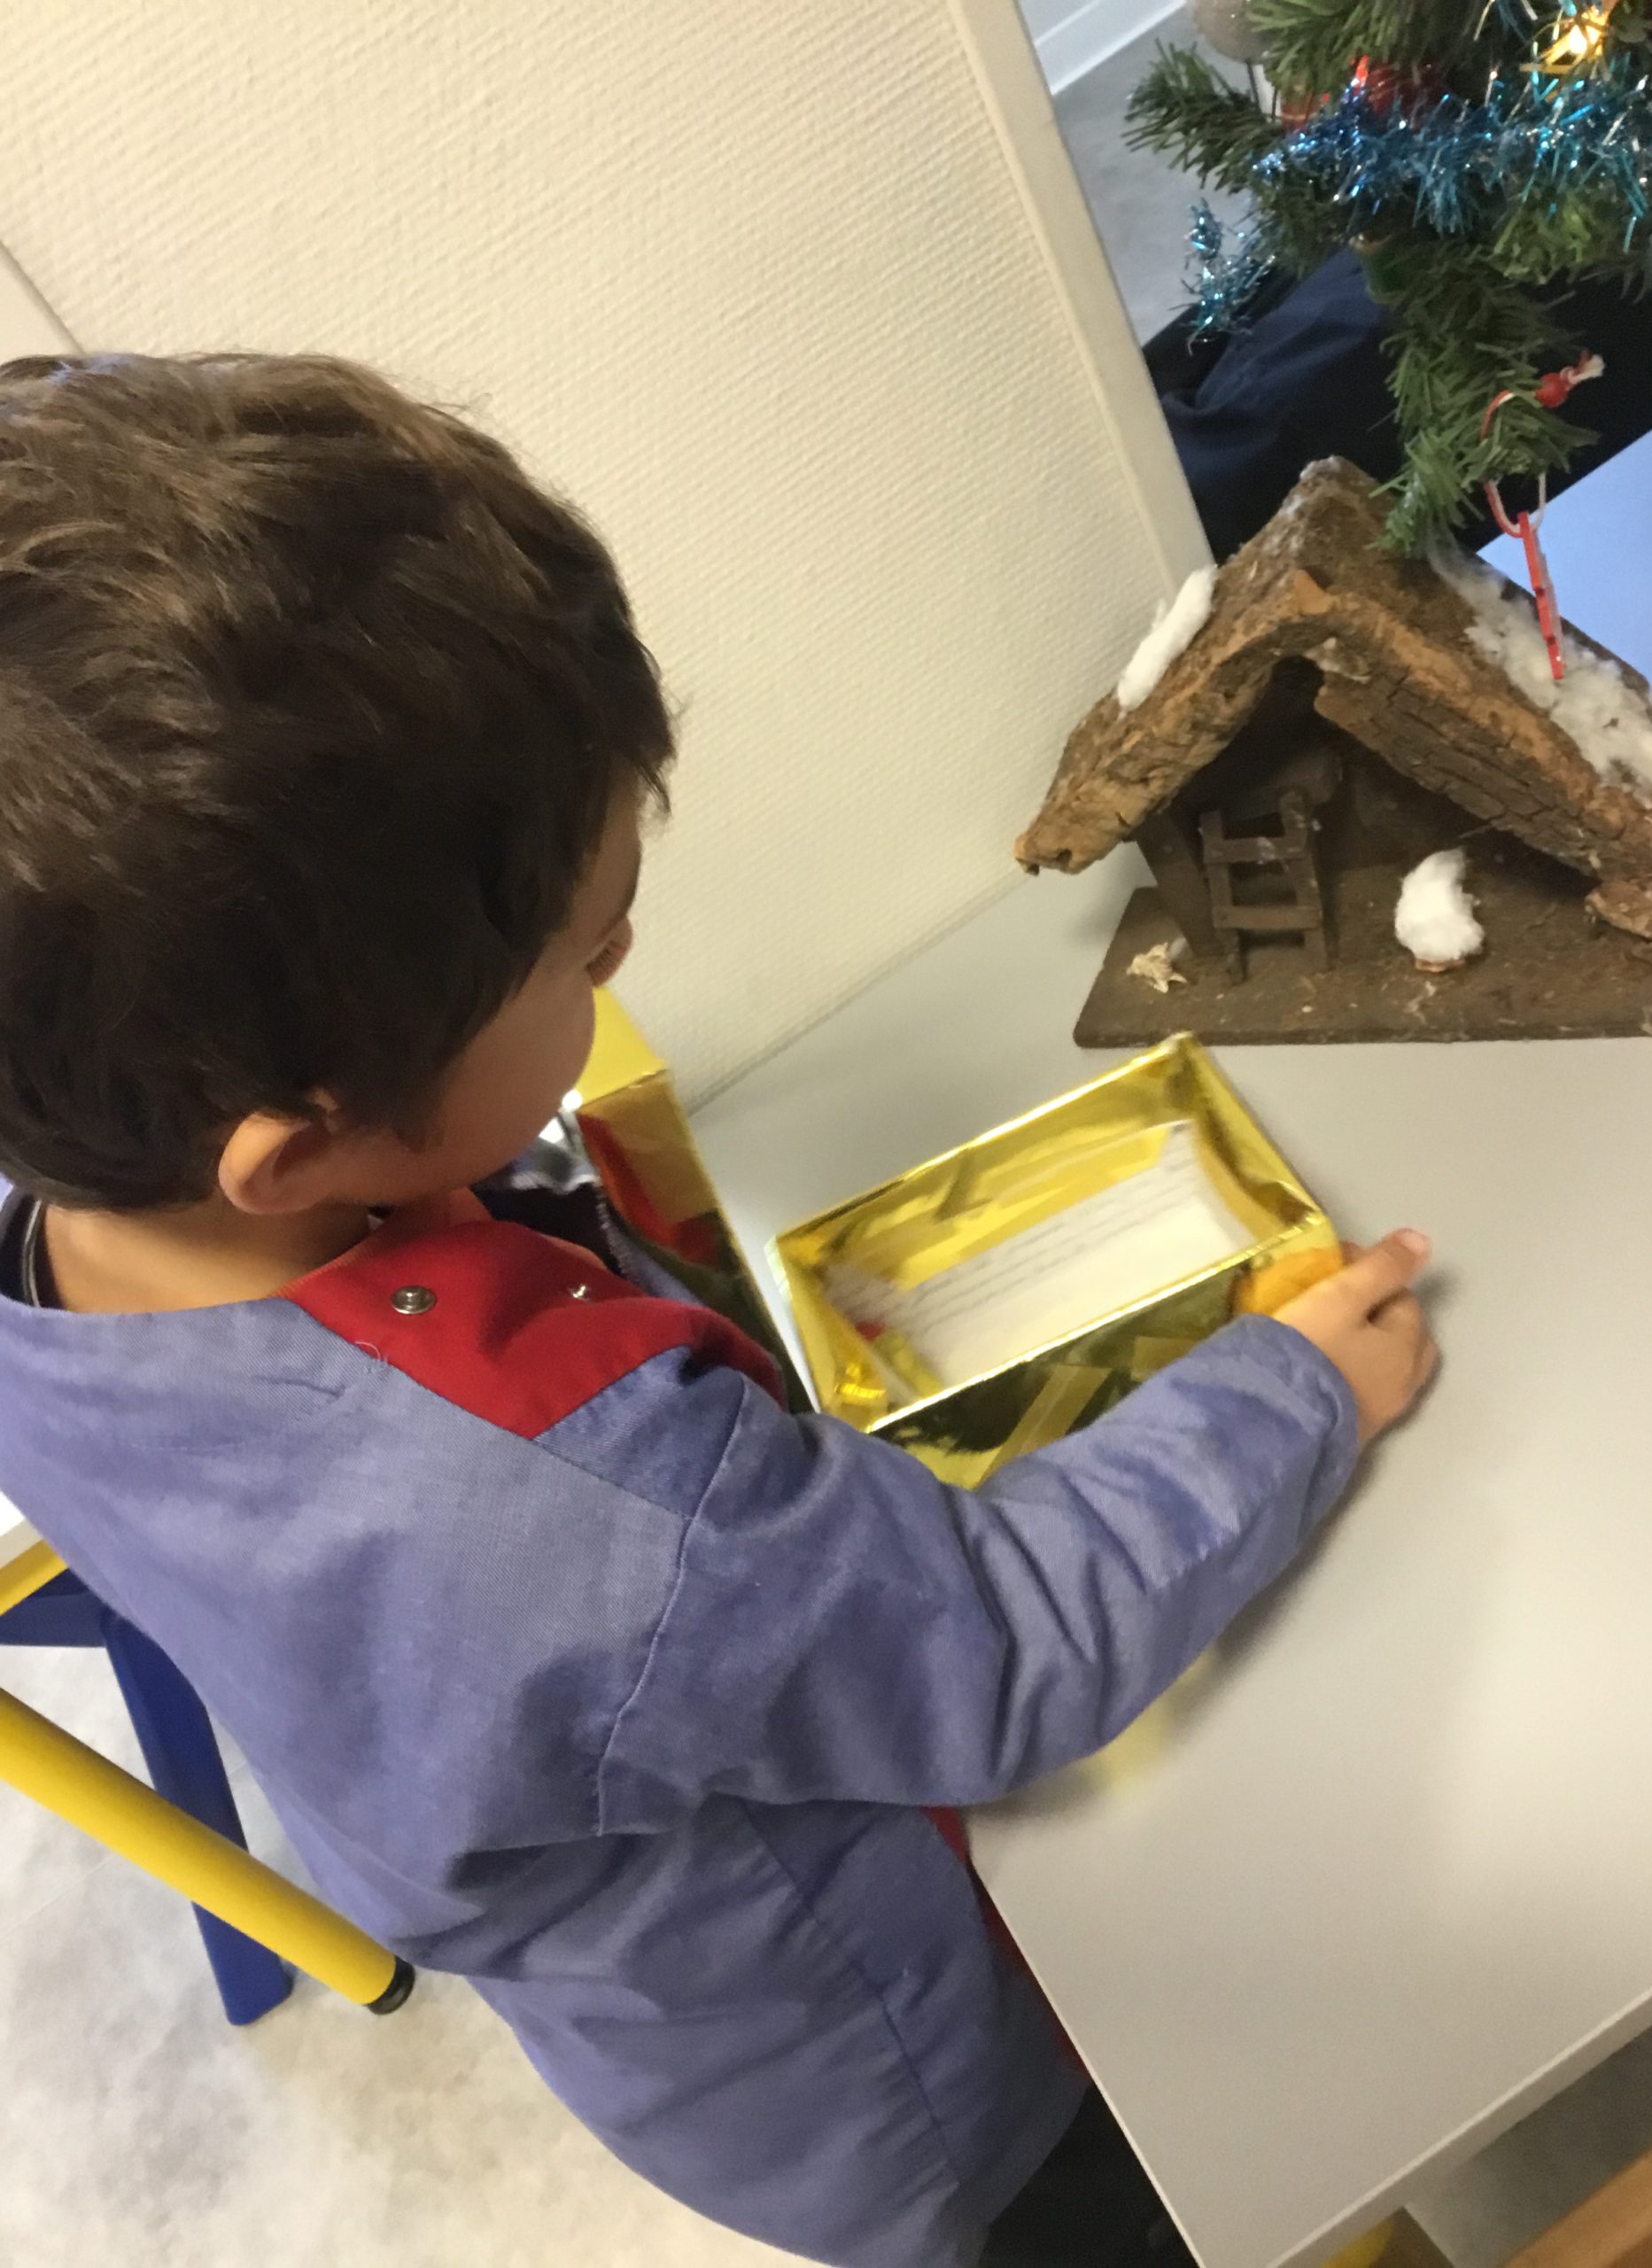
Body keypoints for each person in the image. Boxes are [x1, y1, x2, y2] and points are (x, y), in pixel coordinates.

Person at [0, 353, 1436, 2268]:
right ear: (298, 1145)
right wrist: (1294, 1391)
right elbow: (1005, 1646)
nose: (624, 956)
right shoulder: (563, 1501)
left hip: (663, 2018)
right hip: (934, 2088)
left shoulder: (70, 1233)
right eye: (584, 955)